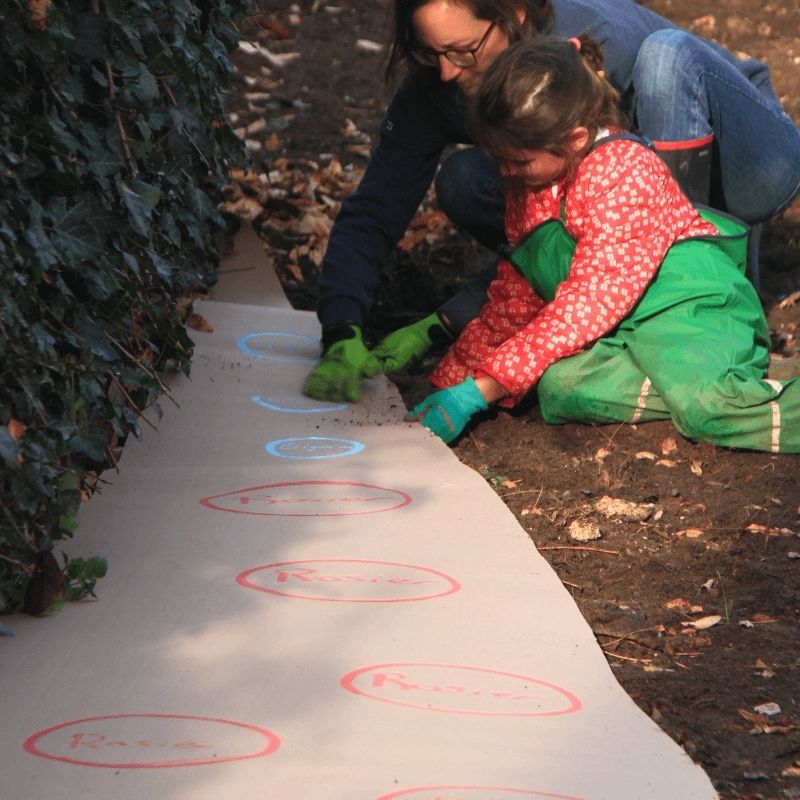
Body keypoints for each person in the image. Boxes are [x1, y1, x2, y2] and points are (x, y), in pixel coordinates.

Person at [302, 0, 800, 404]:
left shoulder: (591, 43)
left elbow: (624, 230)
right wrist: (341, 324)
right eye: (431, 54)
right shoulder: (440, 81)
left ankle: (701, 310)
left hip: (752, 158)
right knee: (464, 178)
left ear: (513, 13)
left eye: (463, 51)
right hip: (626, 212)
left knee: (666, 56)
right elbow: (378, 207)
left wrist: (490, 375)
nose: (448, 73)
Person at [407, 35, 799, 453]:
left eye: (517, 161)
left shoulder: (622, 173)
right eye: (499, 158)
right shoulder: (533, 181)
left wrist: (479, 391)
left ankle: (724, 387)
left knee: (709, 409)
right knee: (559, 386)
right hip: (623, 323)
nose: (505, 171)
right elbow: (516, 297)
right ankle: (710, 375)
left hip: (689, 307)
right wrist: (451, 382)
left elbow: (584, 306)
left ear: (575, 139)